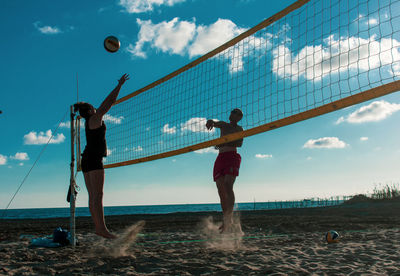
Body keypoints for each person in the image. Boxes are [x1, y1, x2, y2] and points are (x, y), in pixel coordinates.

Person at [74, 73, 129, 239]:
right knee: (97, 196)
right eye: (94, 108)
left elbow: (104, 106)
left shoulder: (88, 120)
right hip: (93, 159)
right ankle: (101, 229)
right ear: (91, 110)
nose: (96, 109)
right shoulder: (95, 117)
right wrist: (119, 85)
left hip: (87, 159)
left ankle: (99, 228)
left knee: (94, 196)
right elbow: (109, 102)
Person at [206, 108, 244, 233]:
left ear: (239, 117)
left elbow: (239, 144)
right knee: (221, 189)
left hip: (232, 156)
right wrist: (210, 122)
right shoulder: (224, 124)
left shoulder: (239, 129)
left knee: (228, 185)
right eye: (232, 111)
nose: (232, 113)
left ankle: (229, 218)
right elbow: (215, 122)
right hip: (221, 158)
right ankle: (225, 219)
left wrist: (222, 143)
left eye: (235, 112)